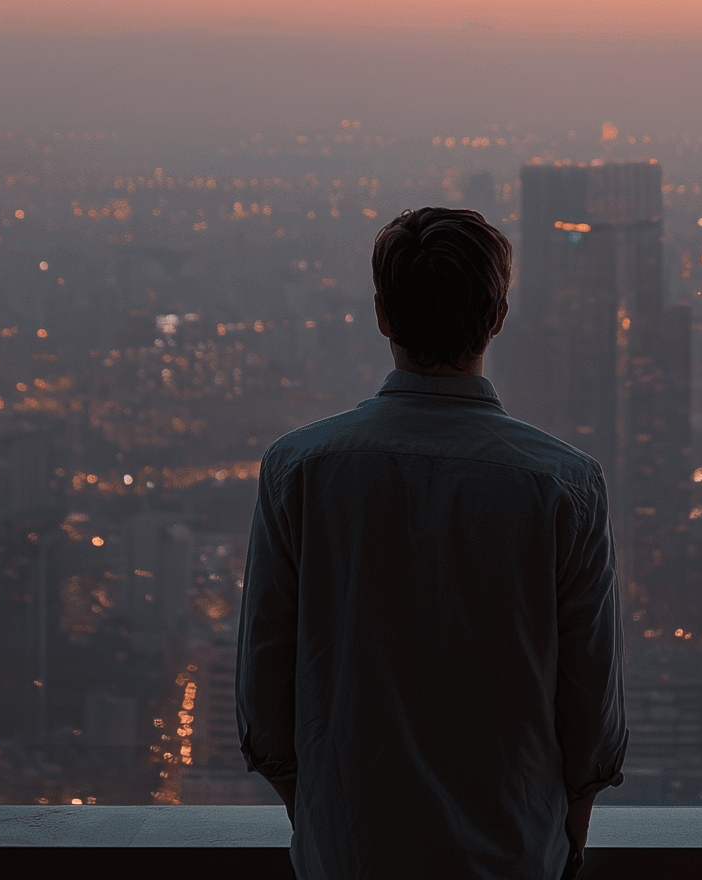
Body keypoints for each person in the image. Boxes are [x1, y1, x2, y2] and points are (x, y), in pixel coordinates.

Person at [237, 206, 625, 879]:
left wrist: (330, 822)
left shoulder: (299, 469)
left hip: (346, 853)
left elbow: (264, 694)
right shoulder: (567, 484)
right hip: (515, 852)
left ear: (383, 315)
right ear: (499, 316)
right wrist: (558, 834)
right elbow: (589, 701)